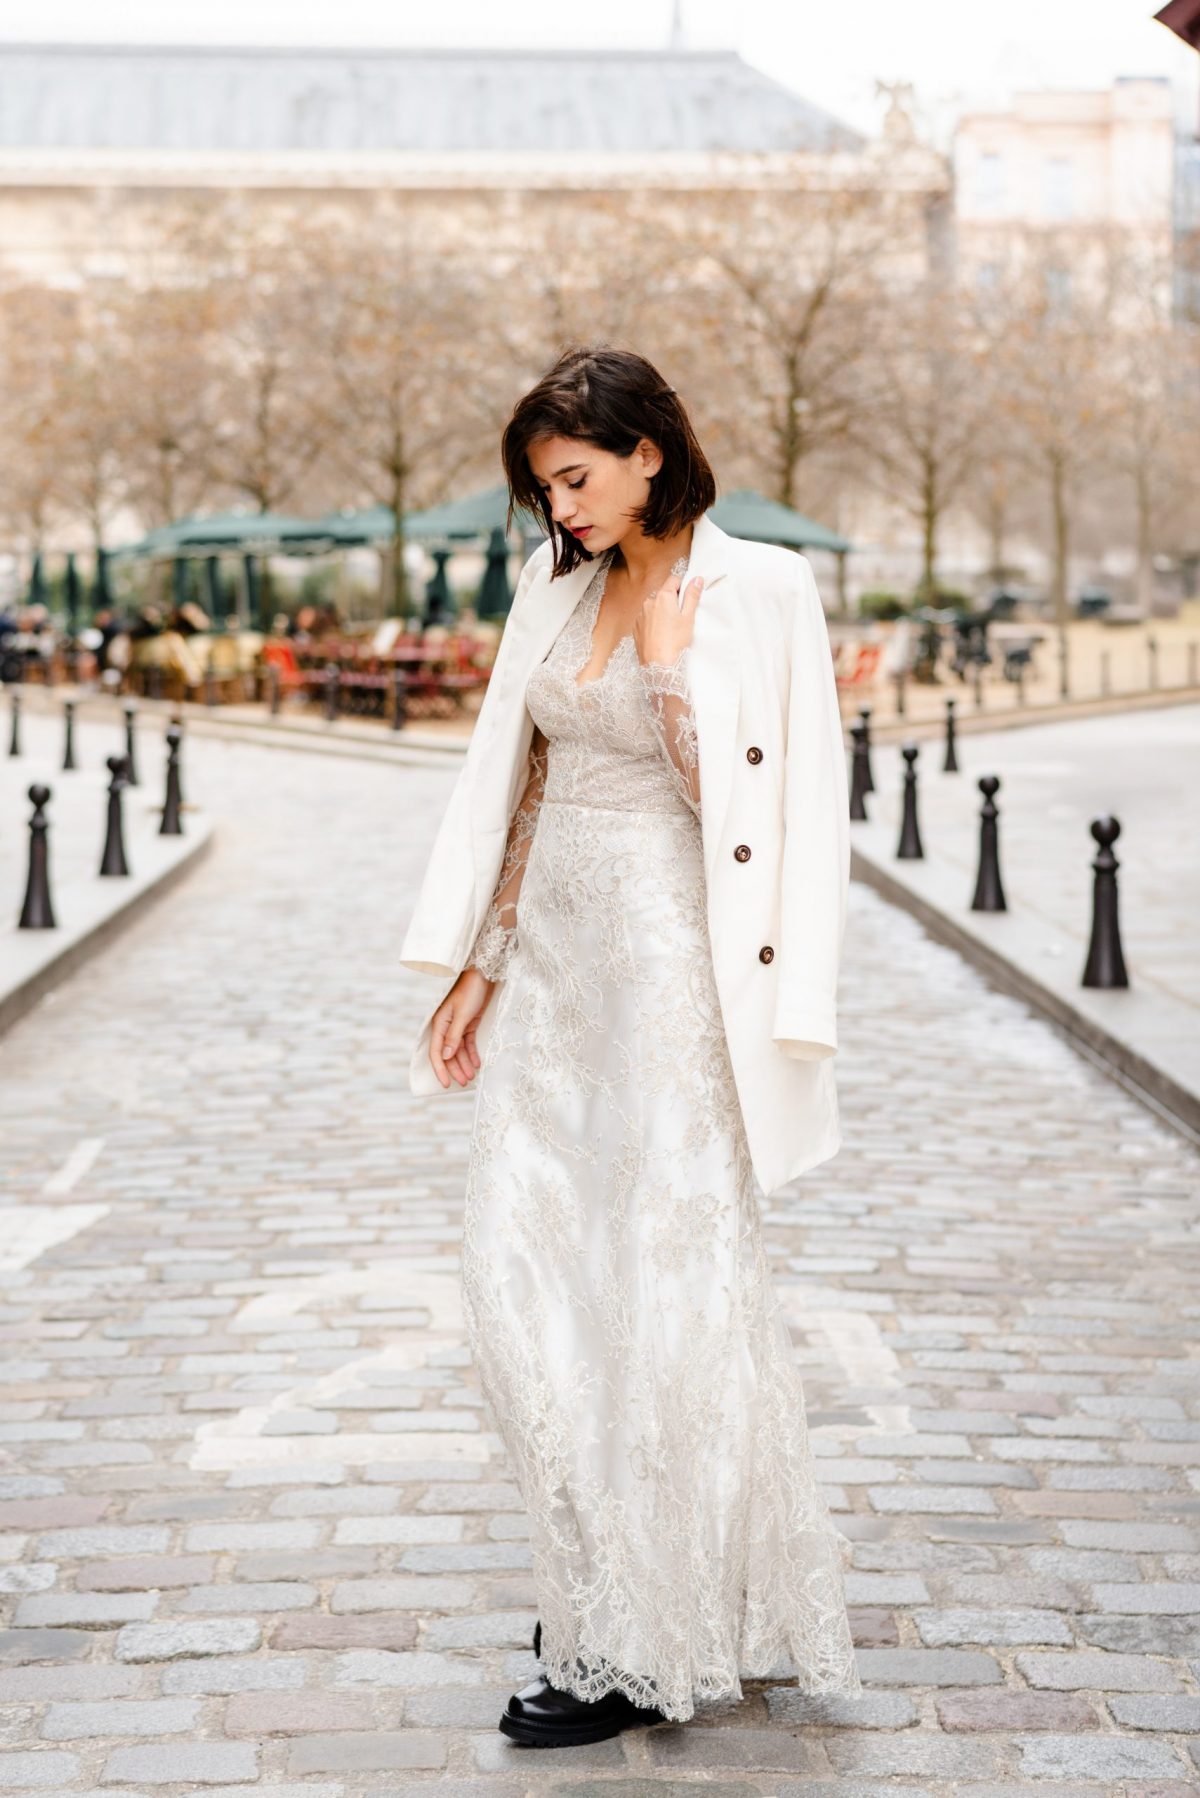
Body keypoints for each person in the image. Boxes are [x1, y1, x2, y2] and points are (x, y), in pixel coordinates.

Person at [400, 344, 859, 1749]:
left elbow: (783, 823)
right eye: (546, 486)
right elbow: (524, 776)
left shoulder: (764, 590)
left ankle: (628, 1637)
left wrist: (669, 677)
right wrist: (480, 959)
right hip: (555, 974)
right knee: (518, 1276)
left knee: (665, 1293)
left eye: (578, 475)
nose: (563, 504)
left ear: (649, 450)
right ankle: (602, 1580)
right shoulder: (556, 583)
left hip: (678, 974)